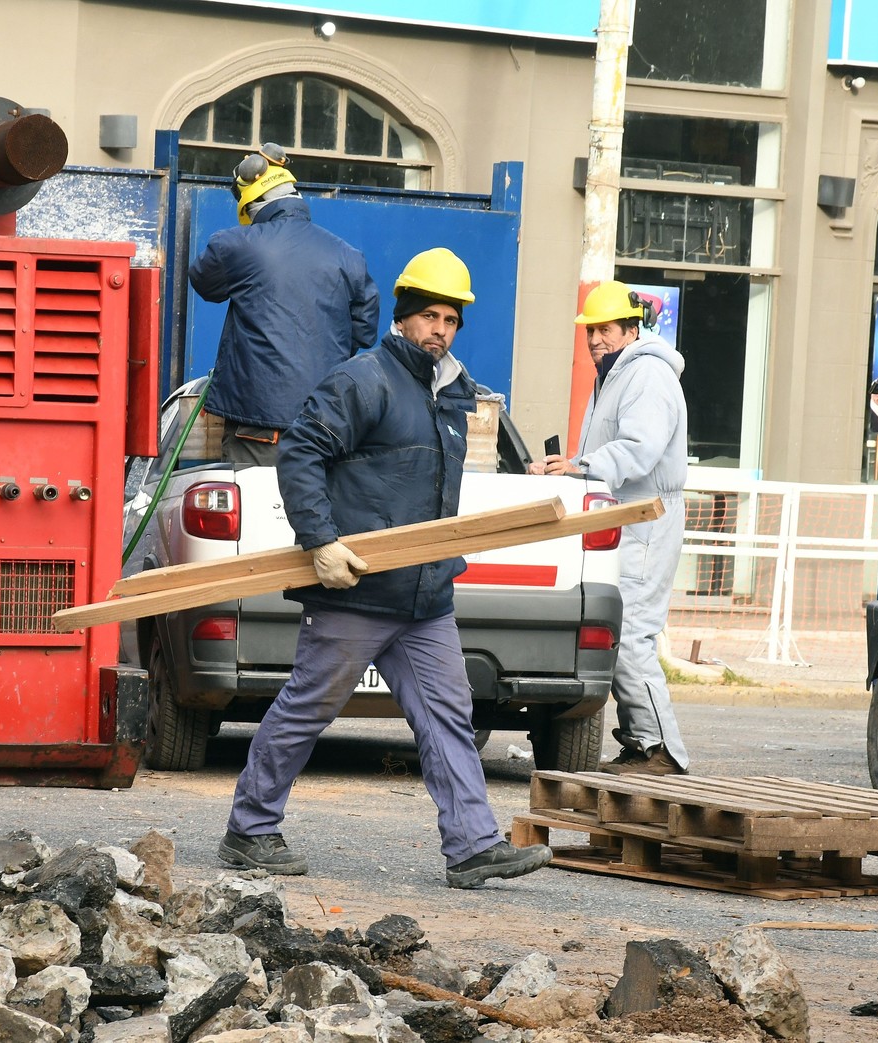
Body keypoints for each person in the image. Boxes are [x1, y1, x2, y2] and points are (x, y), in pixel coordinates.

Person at [218, 248, 553, 889]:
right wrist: (320, 540)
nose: (440, 330)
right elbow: (301, 452)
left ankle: (473, 845)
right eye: (429, 316)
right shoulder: (364, 379)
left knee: (449, 714)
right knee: (308, 708)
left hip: (425, 595)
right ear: (402, 317)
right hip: (357, 590)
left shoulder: (453, 395)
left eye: (451, 320)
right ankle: (250, 830)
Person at [529, 281, 691, 776]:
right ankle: (643, 743)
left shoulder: (645, 374)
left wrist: (580, 467)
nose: (595, 339)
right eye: (590, 331)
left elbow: (639, 448)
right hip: (627, 517)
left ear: (629, 329)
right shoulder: (617, 375)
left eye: (604, 329)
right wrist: (572, 466)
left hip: (645, 518)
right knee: (620, 633)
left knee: (633, 633)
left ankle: (661, 749)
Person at [188, 144, 380, 465]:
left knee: (258, 513)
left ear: (252, 203)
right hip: (327, 425)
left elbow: (205, 283)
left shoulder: (238, 245)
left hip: (259, 425)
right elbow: (365, 333)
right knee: (316, 513)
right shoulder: (348, 256)